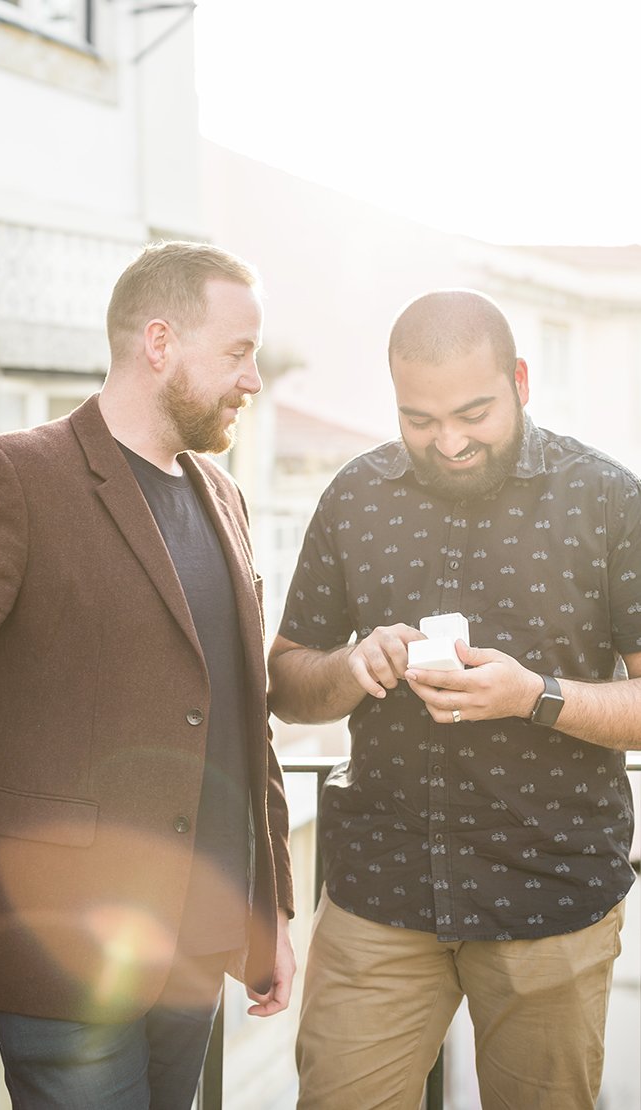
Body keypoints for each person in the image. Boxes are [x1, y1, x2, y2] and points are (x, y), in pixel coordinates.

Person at [0, 240, 296, 1109]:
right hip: (60, 943)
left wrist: (267, 913)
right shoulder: (14, 476)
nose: (253, 380)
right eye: (237, 352)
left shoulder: (223, 498)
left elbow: (241, 712)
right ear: (160, 343)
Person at [270, 289, 641, 1110]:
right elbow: (287, 682)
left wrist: (532, 696)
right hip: (378, 895)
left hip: (553, 896)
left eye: (473, 412)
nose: (449, 441)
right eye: (419, 419)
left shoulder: (609, 499)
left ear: (521, 380)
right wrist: (352, 666)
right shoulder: (353, 497)